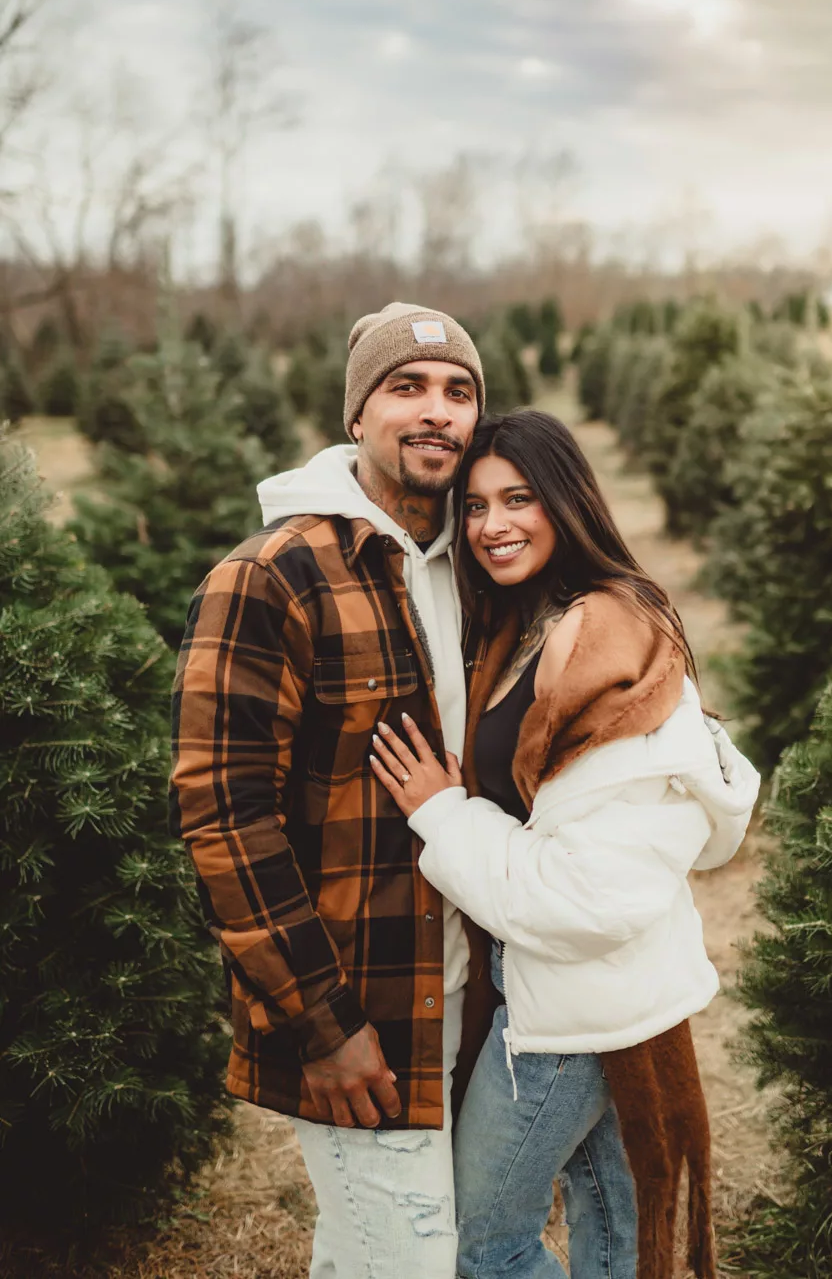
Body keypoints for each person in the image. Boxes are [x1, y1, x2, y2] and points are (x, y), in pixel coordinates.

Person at [370, 410, 760, 1279]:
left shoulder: (608, 641)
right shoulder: (537, 619)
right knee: (615, 1235)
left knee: (485, 1244)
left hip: (571, 1016)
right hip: (583, 993)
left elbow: (588, 898)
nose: (492, 525)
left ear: (567, 499)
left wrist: (440, 811)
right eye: (473, 506)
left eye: (519, 499)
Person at [170, 302, 487, 1279]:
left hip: (465, 991)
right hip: (358, 1007)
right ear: (357, 415)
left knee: (372, 1250)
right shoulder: (274, 575)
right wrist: (322, 1024)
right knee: (414, 1258)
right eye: (407, 387)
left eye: (458, 391)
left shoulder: (481, 567)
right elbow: (222, 811)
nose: (436, 411)